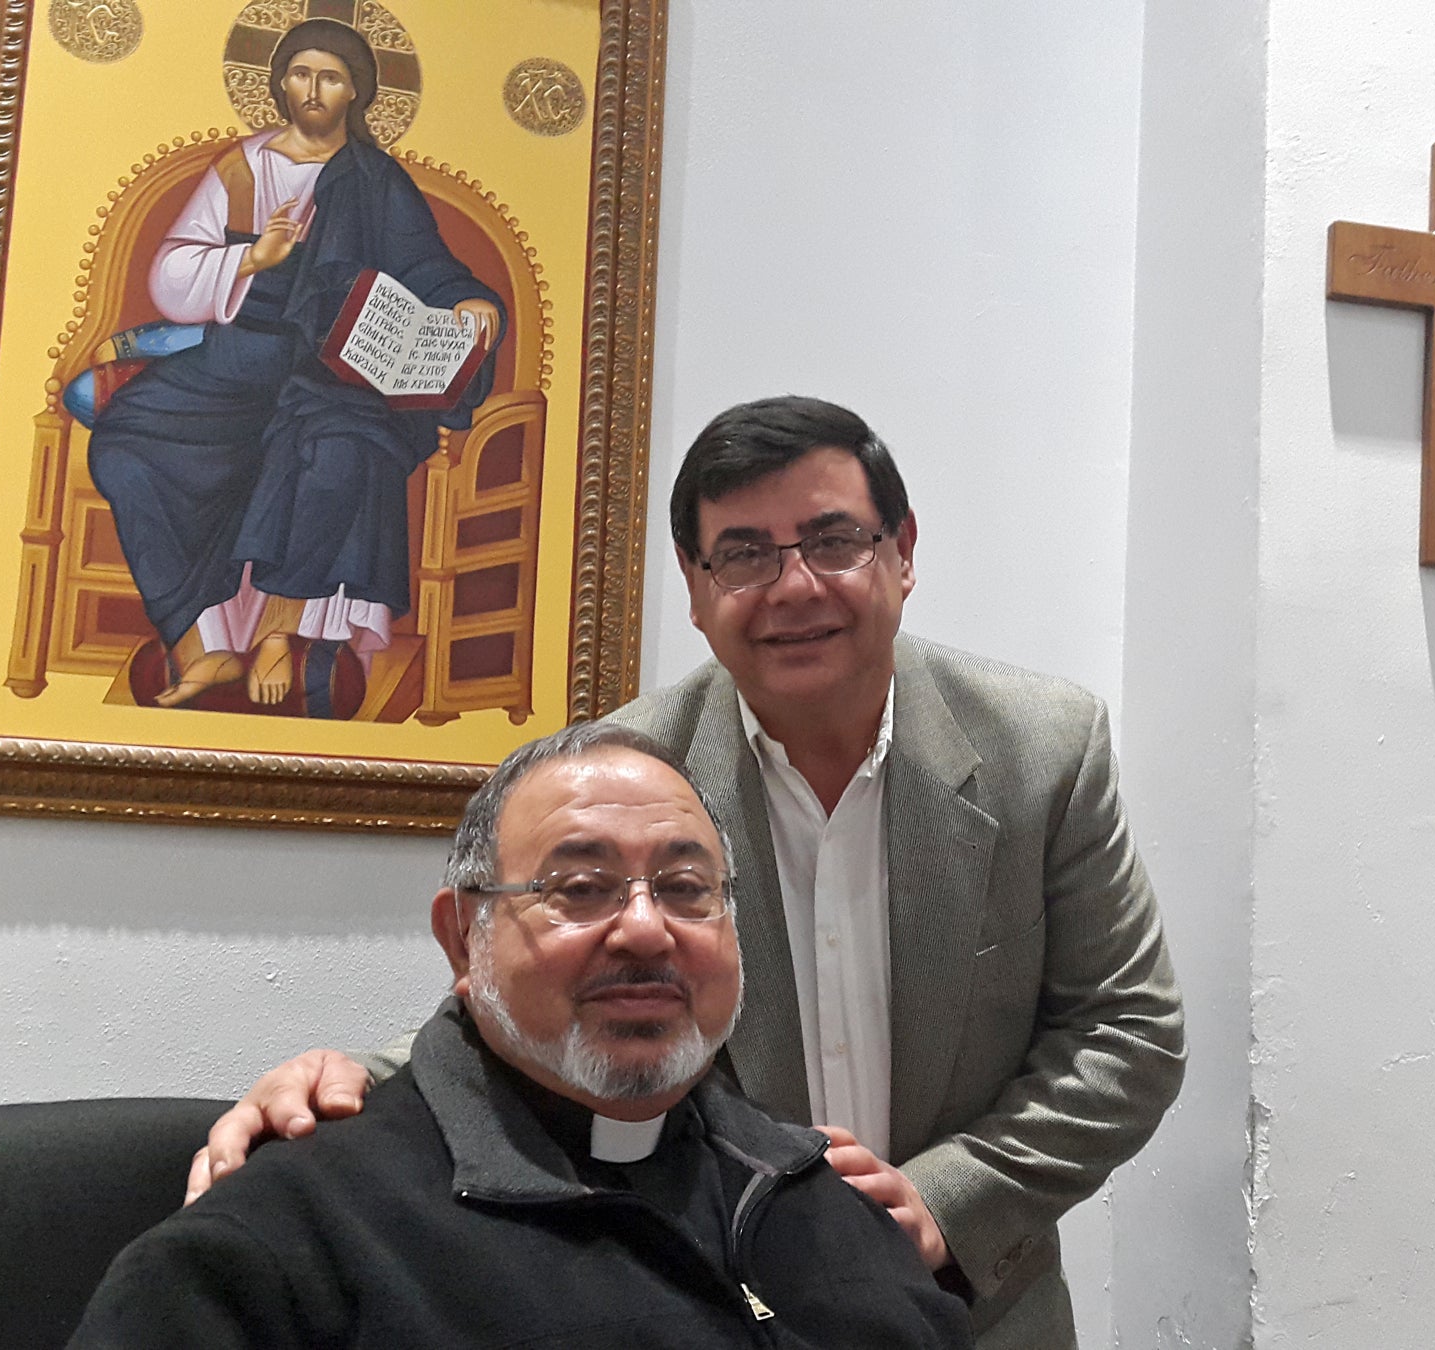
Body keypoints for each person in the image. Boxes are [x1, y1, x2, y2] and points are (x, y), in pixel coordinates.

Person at [194, 396, 1185, 1349]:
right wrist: (341, 1080)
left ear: (904, 553)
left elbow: (1128, 1029)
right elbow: (535, 999)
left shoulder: (1043, 748)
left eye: (833, 540)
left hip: (977, 1309)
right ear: (696, 585)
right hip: (722, 1298)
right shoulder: (629, 778)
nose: (794, 587)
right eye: (745, 554)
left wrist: (946, 1199)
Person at [71, 723, 973, 1347]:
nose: (648, 929)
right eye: (580, 889)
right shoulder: (281, 1248)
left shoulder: (829, 1199)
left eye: (688, 888)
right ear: (464, 938)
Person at [87, 17, 503, 708]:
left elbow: (428, 265)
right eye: (303, 73)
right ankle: (201, 645)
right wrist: (254, 257)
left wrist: (469, 302)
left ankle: (280, 632)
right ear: (280, 81)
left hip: (333, 369)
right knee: (125, 446)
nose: (315, 89)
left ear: (356, 93)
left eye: (332, 77)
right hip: (238, 358)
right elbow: (170, 275)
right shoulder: (242, 168)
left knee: (332, 449)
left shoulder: (374, 179)